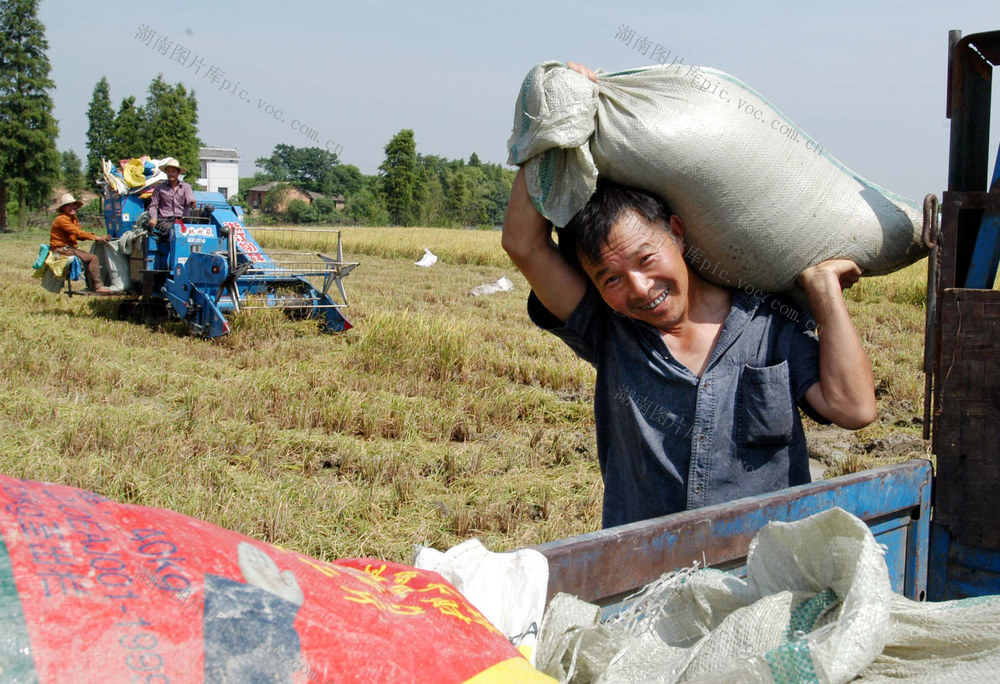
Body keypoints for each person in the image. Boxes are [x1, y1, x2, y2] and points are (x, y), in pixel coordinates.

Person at [501, 64, 877, 529]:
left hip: (758, 573)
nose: (640, 290)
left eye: (645, 259)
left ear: (676, 233)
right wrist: (556, 122)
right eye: (611, 279)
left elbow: (854, 409)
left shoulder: (766, 324)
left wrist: (824, 292)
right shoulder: (610, 331)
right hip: (647, 579)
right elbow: (523, 244)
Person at [50, 193, 112, 293]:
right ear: (63, 208)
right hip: (62, 249)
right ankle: (97, 287)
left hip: (69, 248)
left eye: (74, 205)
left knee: (88, 258)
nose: (72, 207)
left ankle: (91, 285)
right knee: (93, 258)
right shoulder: (61, 220)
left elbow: (78, 235)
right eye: (69, 206)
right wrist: (97, 237)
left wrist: (94, 237)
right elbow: (77, 232)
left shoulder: (73, 218)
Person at [148, 156, 196, 231]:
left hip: (183, 221)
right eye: (168, 171)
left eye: (173, 171)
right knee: (174, 231)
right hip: (165, 221)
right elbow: (153, 205)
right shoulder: (159, 188)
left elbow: (190, 199)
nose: (170, 174)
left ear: (178, 173)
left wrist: (192, 203)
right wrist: (153, 218)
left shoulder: (186, 187)